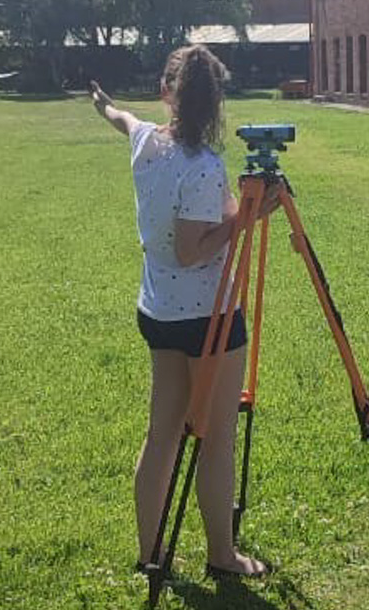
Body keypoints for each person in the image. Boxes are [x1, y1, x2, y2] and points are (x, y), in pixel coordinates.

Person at [90, 45, 275, 579]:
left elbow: (120, 118)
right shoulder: (201, 167)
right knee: (214, 439)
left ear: (166, 93)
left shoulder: (146, 141)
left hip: (160, 312)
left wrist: (102, 101)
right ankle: (221, 554)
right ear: (214, 103)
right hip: (208, 319)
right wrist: (247, 220)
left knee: (162, 434)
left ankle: (150, 555)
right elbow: (192, 249)